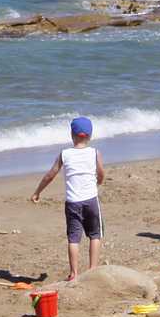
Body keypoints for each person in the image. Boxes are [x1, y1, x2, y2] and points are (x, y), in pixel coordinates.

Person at [31, 116, 105, 282]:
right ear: (90, 136)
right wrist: (98, 182)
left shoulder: (65, 154)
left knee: (73, 238)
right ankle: (93, 269)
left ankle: (74, 273)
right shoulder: (95, 153)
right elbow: (101, 173)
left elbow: (50, 175)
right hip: (91, 200)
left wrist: (37, 192)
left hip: (72, 202)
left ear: (72, 134)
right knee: (95, 235)